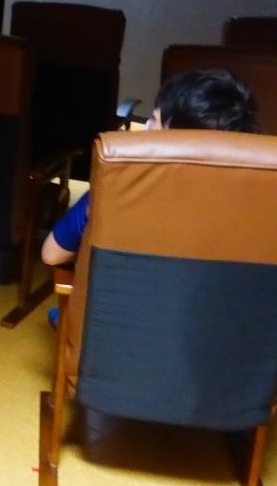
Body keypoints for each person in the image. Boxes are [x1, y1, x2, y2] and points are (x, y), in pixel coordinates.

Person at [41, 69, 260, 326]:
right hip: (201, 338)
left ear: (172, 136)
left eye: (154, 119)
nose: (146, 126)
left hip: (111, 334)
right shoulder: (256, 207)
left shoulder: (116, 187)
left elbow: (51, 255)